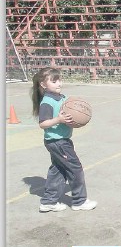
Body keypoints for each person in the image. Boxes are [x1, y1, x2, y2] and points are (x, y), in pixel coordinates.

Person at [31, 67, 97, 212]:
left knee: (58, 170)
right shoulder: (47, 102)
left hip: (61, 141)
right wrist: (59, 119)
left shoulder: (61, 97)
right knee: (75, 169)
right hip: (57, 141)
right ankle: (79, 201)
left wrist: (80, 110)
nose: (59, 83)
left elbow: (75, 107)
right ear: (43, 85)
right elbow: (43, 124)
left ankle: (48, 201)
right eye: (54, 81)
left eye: (59, 80)